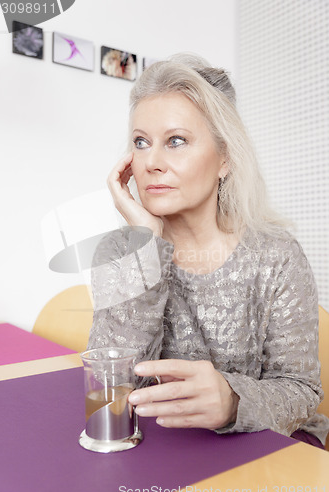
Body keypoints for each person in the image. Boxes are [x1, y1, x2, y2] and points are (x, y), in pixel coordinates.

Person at [88, 53, 329, 448]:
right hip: (161, 450)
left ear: (225, 158)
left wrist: (233, 401)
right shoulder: (122, 251)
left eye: (176, 141)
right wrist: (146, 245)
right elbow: (109, 384)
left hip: (269, 448)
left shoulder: (276, 255)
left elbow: (301, 393)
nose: (151, 162)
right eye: (141, 142)